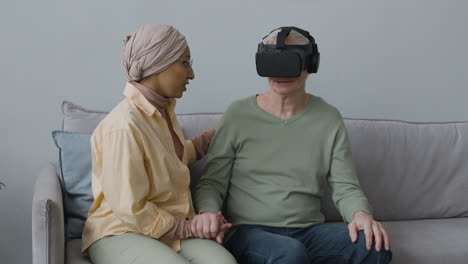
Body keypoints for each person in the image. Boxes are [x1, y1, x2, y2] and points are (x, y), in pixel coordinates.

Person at [194, 26, 393, 263]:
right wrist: (207, 212)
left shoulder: (328, 119)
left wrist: (361, 215)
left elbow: (345, 186)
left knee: (374, 246)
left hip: (308, 231)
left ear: (311, 64)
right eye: (273, 61)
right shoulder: (237, 115)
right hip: (249, 232)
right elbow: (212, 182)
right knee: (289, 253)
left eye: (290, 60)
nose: (281, 72)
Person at [81, 24, 237, 264]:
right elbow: (131, 209)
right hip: (121, 231)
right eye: (185, 63)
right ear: (159, 64)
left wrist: (220, 133)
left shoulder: (162, 111)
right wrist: (190, 228)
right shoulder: (123, 126)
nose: (192, 74)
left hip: (168, 230)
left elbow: (172, 159)